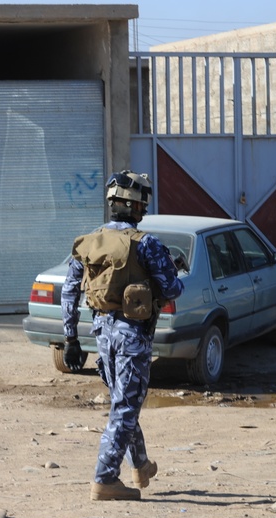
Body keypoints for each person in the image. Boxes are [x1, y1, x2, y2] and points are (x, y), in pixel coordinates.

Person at [61, 171, 184, 501]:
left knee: (123, 404)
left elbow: (69, 291)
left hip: (101, 333)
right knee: (125, 409)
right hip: (132, 336)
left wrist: (70, 338)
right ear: (136, 205)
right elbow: (173, 289)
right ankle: (104, 479)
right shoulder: (146, 244)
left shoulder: (89, 242)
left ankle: (140, 465)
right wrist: (170, 268)